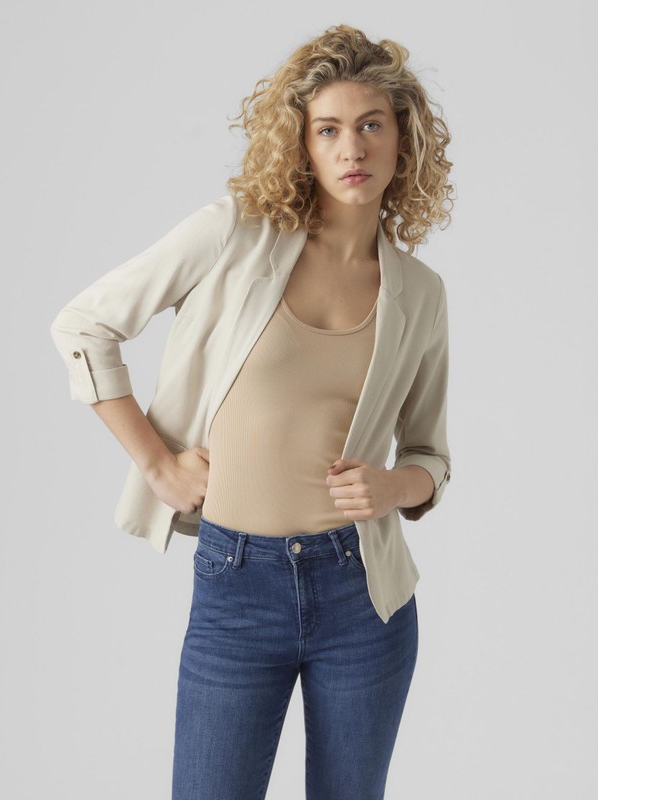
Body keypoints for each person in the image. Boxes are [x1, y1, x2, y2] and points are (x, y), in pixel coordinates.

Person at [50, 23, 453, 800]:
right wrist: (157, 464)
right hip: (237, 586)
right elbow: (82, 327)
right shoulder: (232, 237)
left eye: (372, 125)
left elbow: (430, 456)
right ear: (301, 143)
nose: (352, 147)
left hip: (364, 596)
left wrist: (392, 487)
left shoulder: (421, 295)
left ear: (403, 139)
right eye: (328, 129)